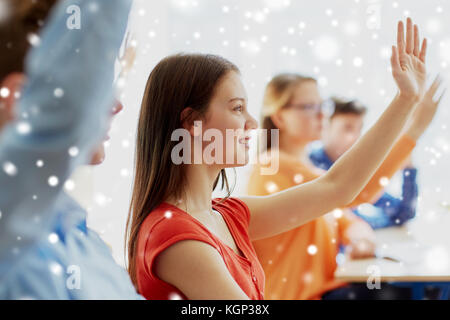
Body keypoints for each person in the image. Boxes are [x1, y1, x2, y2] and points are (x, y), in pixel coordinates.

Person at [127, 18, 432, 300]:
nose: (252, 123)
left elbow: (339, 187)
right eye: (236, 108)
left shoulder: (226, 214)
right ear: (193, 123)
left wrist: (405, 100)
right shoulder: (176, 236)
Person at [0, 0, 142, 299]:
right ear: (18, 97)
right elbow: (67, 113)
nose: (116, 106)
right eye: (104, 89)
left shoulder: (87, 242)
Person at [309, 97, 420, 229]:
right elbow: (349, 223)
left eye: (359, 129)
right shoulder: (311, 165)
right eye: (348, 128)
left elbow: (403, 213)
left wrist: (408, 168)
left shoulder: (354, 169)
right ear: (326, 128)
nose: (355, 137)